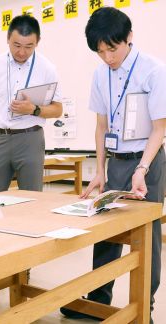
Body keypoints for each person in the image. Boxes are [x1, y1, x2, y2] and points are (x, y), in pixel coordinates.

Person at [60, 7, 166, 323]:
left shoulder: (153, 70)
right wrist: (100, 171)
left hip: (148, 161)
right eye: (101, 51)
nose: (108, 57)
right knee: (106, 232)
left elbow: (160, 128)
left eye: (113, 48)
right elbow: (100, 125)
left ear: (128, 38)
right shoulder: (99, 74)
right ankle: (98, 300)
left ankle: (143, 302)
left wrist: (142, 169)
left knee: (147, 233)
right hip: (116, 161)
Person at [0, 15, 62, 195]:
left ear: (38, 42)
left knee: (32, 199)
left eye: (29, 47)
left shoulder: (47, 68)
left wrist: (34, 109)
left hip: (30, 139)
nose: (22, 52)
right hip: (0, 139)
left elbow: (58, 109)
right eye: (16, 45)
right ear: (8, 39)